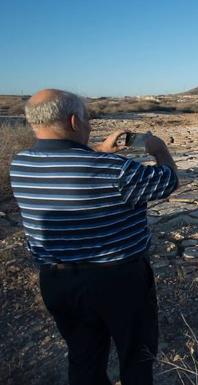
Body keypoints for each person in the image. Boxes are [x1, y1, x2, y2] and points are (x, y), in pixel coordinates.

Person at [9, 89, 178, 385]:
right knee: (136, 356)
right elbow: (167, 180)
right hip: (119, 281)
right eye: (86, 118)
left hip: (58, 282)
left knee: (83, 358)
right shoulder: (116, 170)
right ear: (75, 121)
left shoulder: (20, 165)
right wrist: (159, 149)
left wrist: (98, 150)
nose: (88, 123)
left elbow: (72, 171)